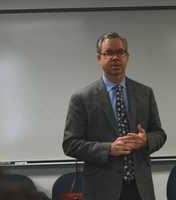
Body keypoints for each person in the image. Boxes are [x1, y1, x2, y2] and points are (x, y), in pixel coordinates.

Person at [63, 32, 167, 200]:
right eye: (109, 53)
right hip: (101, 190)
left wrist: (145, 140)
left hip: (140, 189)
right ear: (99, 58)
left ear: (127, 57)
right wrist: (108, 149)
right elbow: (70, 144)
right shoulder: (82, 98)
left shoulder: (145, 93)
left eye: (120, 52)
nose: (115, 58)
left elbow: (160, 134)